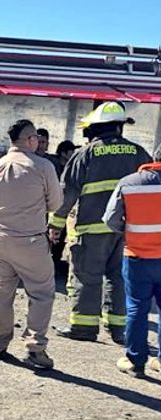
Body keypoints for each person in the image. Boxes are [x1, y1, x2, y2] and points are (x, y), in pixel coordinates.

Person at [49, 102, 151, 344]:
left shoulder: (85, 154)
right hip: (127, 231)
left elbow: (68, 194)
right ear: (118, 127)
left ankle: (83, 327)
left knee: (87, 275)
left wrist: (55, 224)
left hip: (92, 229)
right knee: (119, 277)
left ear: (95, 129)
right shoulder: (138, 152)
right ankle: (118, 329)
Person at [0, 119, 63, 370]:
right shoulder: (42, 166)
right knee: (41, 293)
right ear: (30, 140)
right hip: (30, 241)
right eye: (37, 139)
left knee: (1, 291)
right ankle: (36, 348)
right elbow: (55, 204)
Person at [103, 146, 161, 377]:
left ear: (153, 159)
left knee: (137, 307)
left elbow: (110, 219)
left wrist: (129, 230)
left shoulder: (129, 183)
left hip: (138, 256)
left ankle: (135, 361)